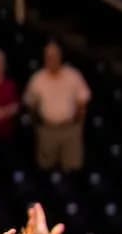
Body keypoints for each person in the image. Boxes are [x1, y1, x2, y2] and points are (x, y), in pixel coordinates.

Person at [23, 42, 90, 172]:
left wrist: (78, 125)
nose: (52, 59)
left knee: (72, 170)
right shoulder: (38, 79)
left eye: (54, 56)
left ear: (60, 57)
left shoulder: (73, 76)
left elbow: (83, 100)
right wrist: (39, 126)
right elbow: (30, 104)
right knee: (46, 170)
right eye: (49, 56)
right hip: (47, 131)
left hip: (70, 130)